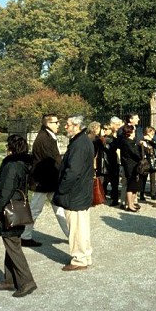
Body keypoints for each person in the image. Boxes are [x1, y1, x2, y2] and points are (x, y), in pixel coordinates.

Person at [0, 134, 37, 297]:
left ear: (11, 148)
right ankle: (10, 279)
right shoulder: (24, 163)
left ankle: (27, 281)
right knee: (11, 243)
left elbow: (5, 191)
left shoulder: (12, 165)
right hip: (18, 208)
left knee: (13, 245)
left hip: (9, 210)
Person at [53, 115, 94, 271]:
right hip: (81, 191)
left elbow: (73, 171)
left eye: (68, 124)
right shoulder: (83, 141)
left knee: (76, 228)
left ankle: (79, 259)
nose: (65, 127)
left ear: (77, 126)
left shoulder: (79, 144)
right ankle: (85, 255)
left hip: (75, 192)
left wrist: (62, 188)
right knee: (82, 227)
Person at [21, 114, 68, 247]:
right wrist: (63, 171)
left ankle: (71, 235)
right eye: (56, 122)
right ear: (48, 123)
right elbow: (53, 161)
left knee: (59, 209)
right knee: (36, 209)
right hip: (43, 181)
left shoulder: (48, 136)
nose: (58, 124)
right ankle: (25, 236)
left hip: (48, 180)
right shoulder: (44, 139)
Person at [119, 124, 142, 212]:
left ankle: (132, 203)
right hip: (130, 165)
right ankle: (130, 205)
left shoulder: (129, 141)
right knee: (130, 186)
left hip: (132, 165)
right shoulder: (128, 142)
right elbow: (135, 153)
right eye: (133, 131)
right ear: (130, 132)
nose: (135, 133)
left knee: (134, 186)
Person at [139, 126, 156, 202]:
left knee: (153, 179)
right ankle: (141, 193)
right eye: (151, 133)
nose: (153, 135)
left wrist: (151, 140)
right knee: (143, 178)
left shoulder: (152, 141)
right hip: (145, 161)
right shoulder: (142, 141)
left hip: (152, 161)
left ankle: (153, 193)